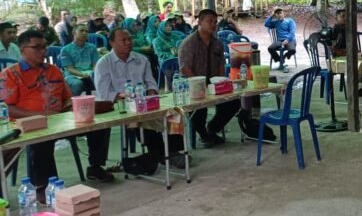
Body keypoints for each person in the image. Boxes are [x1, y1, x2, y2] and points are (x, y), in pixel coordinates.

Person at [0, 30, 114, 203]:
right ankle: (43, 186)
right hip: (28, 125)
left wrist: (73, 107)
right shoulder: (10, 74)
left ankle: (95, 167)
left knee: (99, 123)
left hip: (60, 120)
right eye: (37, 47)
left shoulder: (53, 71)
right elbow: (7, 108)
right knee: (40, 140)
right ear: (23, 50)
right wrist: (40, 116)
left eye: (44, 47)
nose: (43, 51)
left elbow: (67, 98)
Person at [94, 28, 186, 168]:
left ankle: (173, 151)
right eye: (123, 40)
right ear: (112, 43)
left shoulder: (141, 59)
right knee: (141, 118)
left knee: (174, 112)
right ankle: (160, 153)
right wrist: (129, 99)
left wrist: (151, 93)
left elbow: (151, 83)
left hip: (145, 101)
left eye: (129, 39)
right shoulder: (104, 64)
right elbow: (104, 94)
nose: (128, 42)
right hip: (121, 106)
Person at [178, 9, 236, 147]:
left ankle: (212, 128)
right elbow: (185, 68)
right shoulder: (188, 43)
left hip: (213, 83)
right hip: (192, 84)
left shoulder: (217, 43)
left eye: (215, 22)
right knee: (198, 107)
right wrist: (199, 85)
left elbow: (221, 65)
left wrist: (221, 83)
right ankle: (203, 135)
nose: (213, 24)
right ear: (200, 22)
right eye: (209, 21)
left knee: (233, 102)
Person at [329, 9, 362, 95]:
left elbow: (354, 46)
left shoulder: (349, 29)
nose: (345, 18)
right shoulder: (334, 31)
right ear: (336, 18)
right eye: (342, 16)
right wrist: (346, 52)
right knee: (356, 65)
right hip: (339, 59)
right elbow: (332, 49)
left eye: (346, 16)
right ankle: (355, 88)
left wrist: (357, 53)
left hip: (351, 55)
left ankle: (360, 80)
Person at [60, 25, 99, 96]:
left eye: (86, 31)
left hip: (89, 73)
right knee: (77, 84)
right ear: (74, 33)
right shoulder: (66, 50)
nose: (84, 33)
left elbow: (95, 64)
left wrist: (93, 73)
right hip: (72, 75)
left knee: (102, 79)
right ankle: (72, 102)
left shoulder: (92, 47)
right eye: (81, 31)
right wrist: (82, 74)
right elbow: (70, 68)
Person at [264, 8, 296, 73]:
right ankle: (280, 60)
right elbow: (266, 24)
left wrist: (287, 40)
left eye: (280, 13)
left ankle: (285, 56)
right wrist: (271, 16)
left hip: (290, 40)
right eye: (277, 14)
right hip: (280, 41)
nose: (279, 15)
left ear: (284, 14)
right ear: (276, 15)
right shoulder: (275, 22)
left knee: (292, 50)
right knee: (270, 48)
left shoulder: (290, 21)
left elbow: (292, 32)